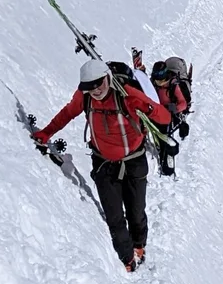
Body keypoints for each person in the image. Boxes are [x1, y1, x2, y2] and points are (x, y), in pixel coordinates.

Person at [33, 58, 171, 272]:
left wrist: (146, 106)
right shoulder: (85, 96)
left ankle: (139, 245)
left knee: (136, 211)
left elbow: (165, 118)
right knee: (114, 216)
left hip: (134, 161)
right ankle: (126, 258)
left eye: (98, 84)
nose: (95, 90)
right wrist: (46, 133)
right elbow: (68, 113)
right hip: (104, 163)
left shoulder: (127, 94)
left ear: (107, 77)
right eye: (89, 87)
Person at [133, 49, 192, 137]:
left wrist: (173, 108)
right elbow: (147, 89)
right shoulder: (154, 82)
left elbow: (183, 103)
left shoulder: (174, 85)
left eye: (161, 81)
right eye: (157, 80)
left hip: (167, 114)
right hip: (155, 110)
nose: (159, 83)